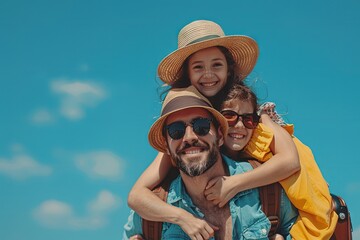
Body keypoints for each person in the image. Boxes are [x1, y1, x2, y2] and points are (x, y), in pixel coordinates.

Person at [127, 20, 337, 239]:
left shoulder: (251, 113)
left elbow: (290, 161)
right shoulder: (183, 132)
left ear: (229, 70)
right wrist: (182, 218)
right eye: (198, 67)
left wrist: (234, 184)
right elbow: (136, 194)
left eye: (216, 65)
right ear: (187, 74)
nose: (208, 74)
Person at [123, 86, 298, 240]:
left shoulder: (269, 192)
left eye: (201, 126)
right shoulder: (150, 217)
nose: (190, 137)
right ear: (167, 148)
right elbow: (134, 197)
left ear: (221, 135)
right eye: (176, 131)